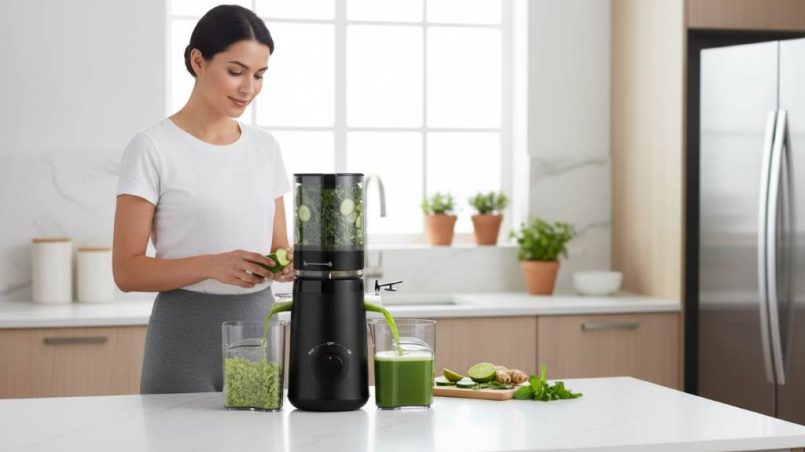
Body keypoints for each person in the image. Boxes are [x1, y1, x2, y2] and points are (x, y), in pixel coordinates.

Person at [112, 5, 293, 394]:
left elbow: (279, 249)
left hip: (258, 331)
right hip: (183, 336)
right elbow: (127, 271)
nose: (249, 88)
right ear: (198, 61)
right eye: (235, 71)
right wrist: (212, 265)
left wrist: (286, 265)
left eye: (259, 75)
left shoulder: (265, 147)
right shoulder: (152, 147)